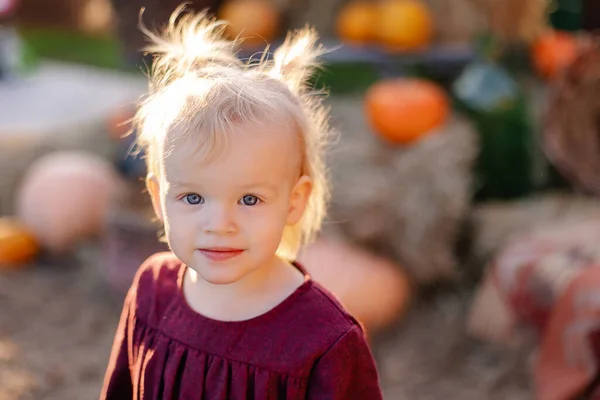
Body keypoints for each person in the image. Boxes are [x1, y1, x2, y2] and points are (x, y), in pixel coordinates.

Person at [100, 6, 383, 399]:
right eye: (193, 197)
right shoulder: (151, 291)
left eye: (249, 199)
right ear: (158, 199)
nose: (220, 223)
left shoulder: (325, 339)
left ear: (294, 201)